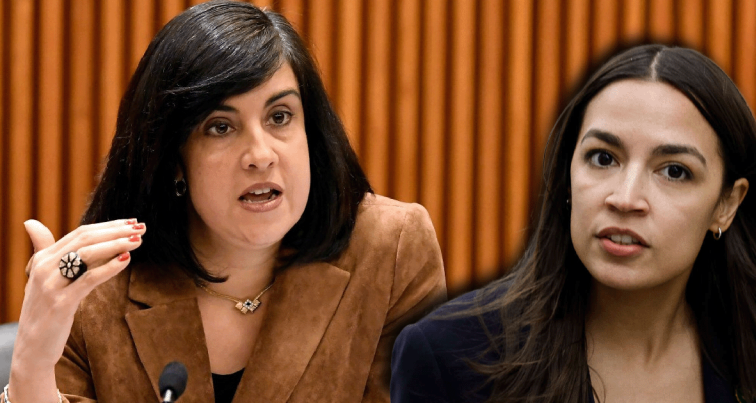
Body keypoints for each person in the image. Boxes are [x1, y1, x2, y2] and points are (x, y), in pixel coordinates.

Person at [3, 2, 446, 402]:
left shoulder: (389, 250)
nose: (260, 155)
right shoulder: (96, 286)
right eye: (220, 127)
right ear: (174, 159)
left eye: (280, 117)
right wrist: (31, 369)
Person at [391, 44, 756, 403]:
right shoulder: (447, 357)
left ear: (726, 205)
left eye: (674, 171)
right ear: (568, 174)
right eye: (603, 158)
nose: (625, 199)